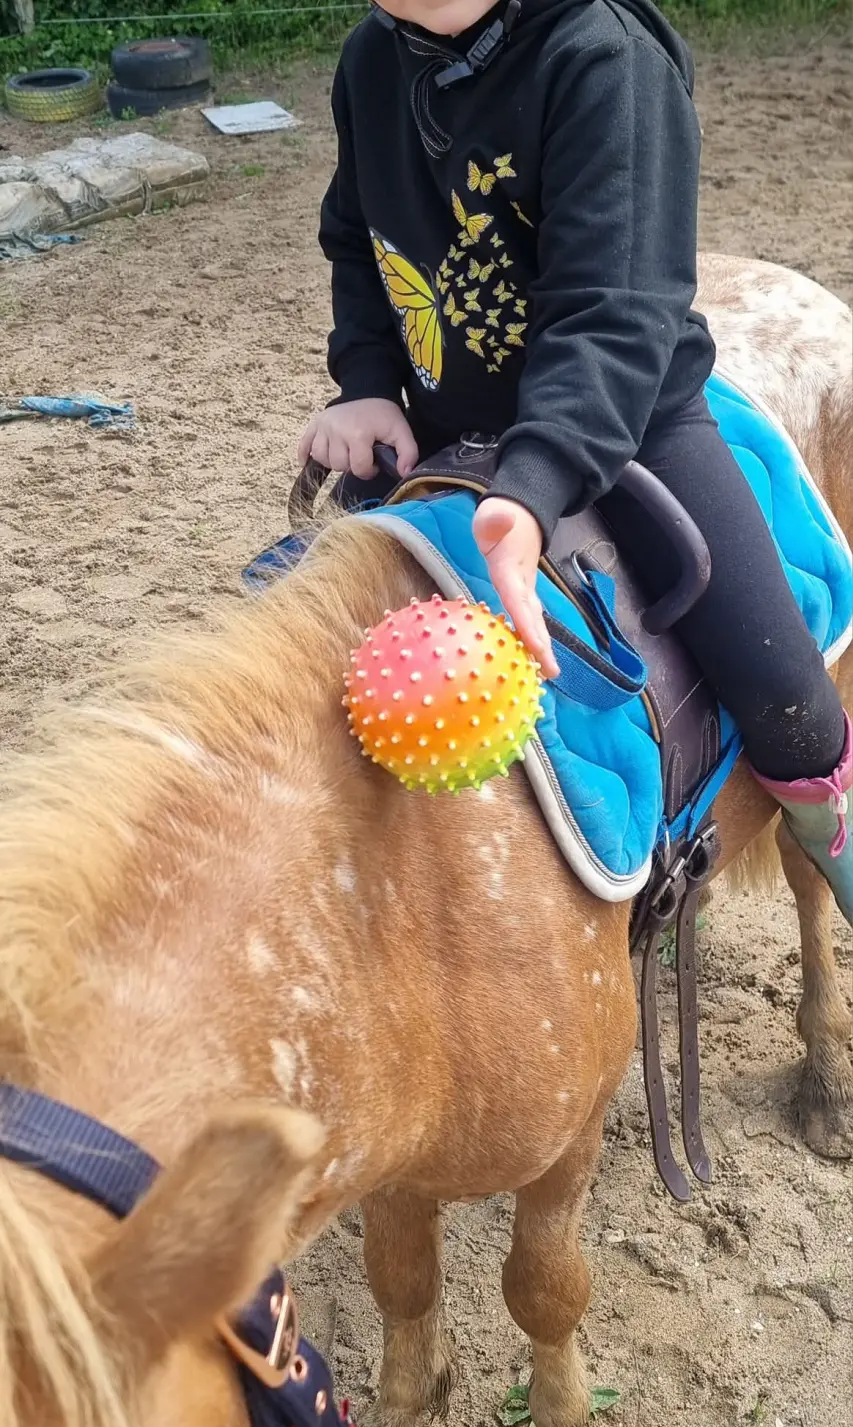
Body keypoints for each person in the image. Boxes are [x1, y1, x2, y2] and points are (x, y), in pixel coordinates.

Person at [298, 0, 851, 922]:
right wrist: (364, 382)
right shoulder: (371, 57)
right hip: (443, 430)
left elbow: (617, 313)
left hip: (630, 420)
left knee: (788, 695)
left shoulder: (605, 60)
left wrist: (536, 482)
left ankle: (832, 837)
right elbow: (358, 239)